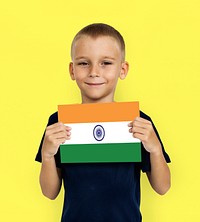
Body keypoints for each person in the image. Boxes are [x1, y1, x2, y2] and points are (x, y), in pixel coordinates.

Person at [35, 23, 171, 222]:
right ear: (72, 70)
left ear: (122, 69)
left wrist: (156, 149)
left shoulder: (138, 122)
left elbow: (162, 187)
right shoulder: (59, 122)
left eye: (106, 63)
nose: (94, 72)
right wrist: (47, 155)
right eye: (83, 63)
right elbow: (50, 192)